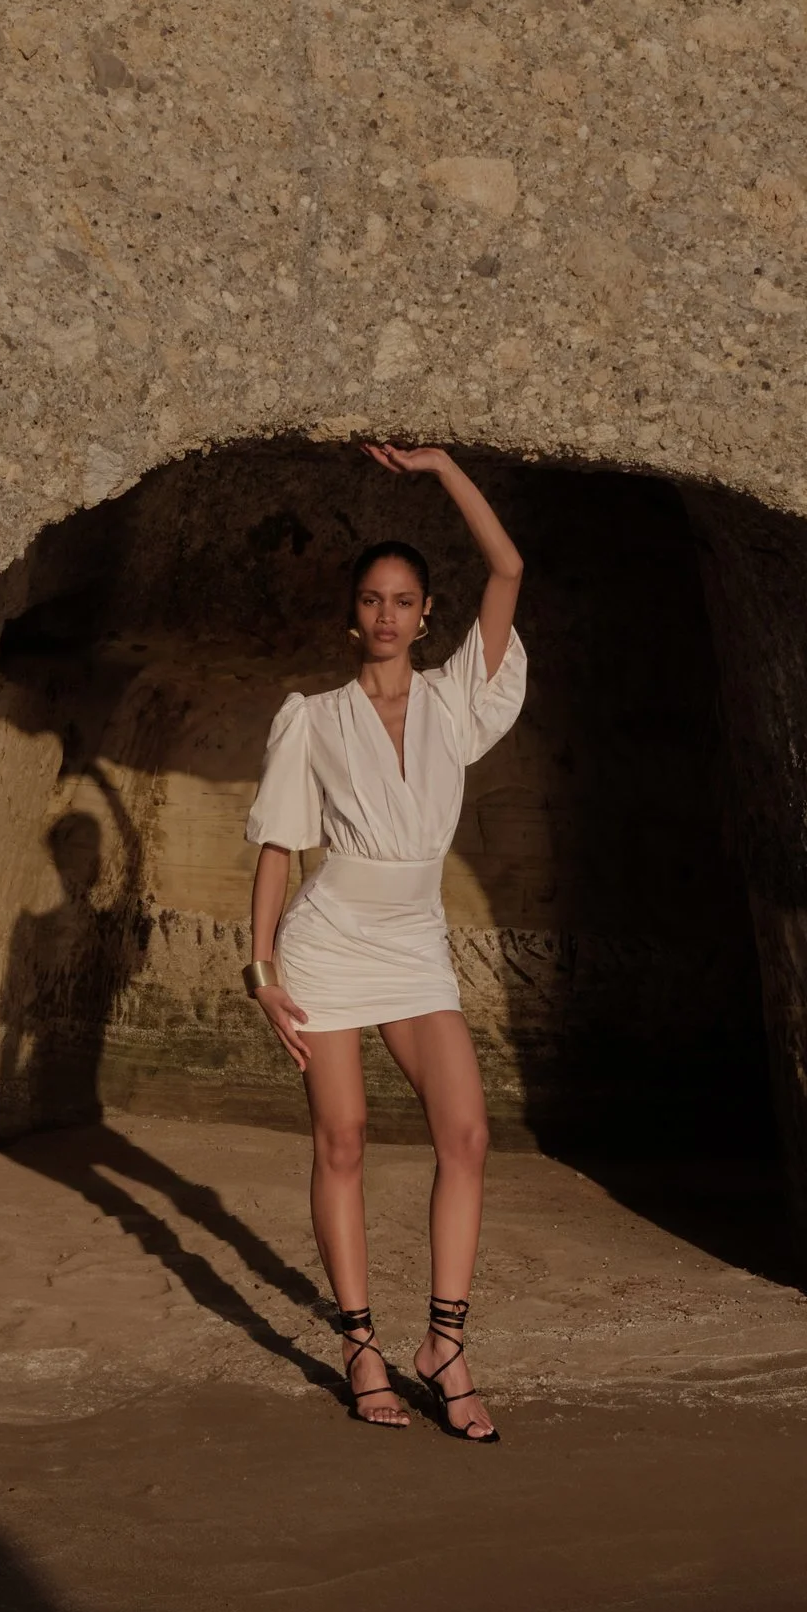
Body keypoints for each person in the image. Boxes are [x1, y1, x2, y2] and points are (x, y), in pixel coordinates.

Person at [243, 445, 526, 1443]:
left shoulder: (457, 702)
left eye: (403, 599)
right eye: (371, 598)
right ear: (352, 613)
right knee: (345, 1140)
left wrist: (444, 468)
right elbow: (279, 845)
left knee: (466, 1134)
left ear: (425, 615)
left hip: (413, 941)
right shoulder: (311, 719)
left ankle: (444, 1344)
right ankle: (360, 1346)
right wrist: (262, 971)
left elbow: (508, 570)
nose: (386, 614)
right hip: (326, 944)